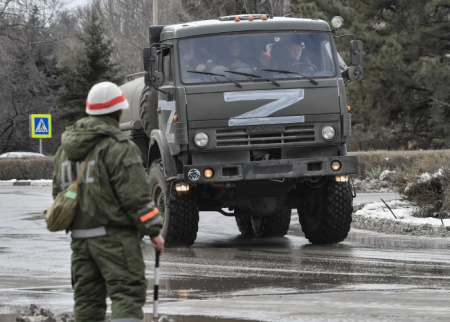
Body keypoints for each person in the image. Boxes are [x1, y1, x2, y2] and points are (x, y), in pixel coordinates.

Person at [52, 82, 165, 322]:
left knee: (87, 302)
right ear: (117, 112)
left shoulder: (65, 149)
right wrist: (154, 230)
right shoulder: (119, 147)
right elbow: (136, 197)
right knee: (126, 295)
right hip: (116, 240)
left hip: (80, 242)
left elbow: (58, 194)